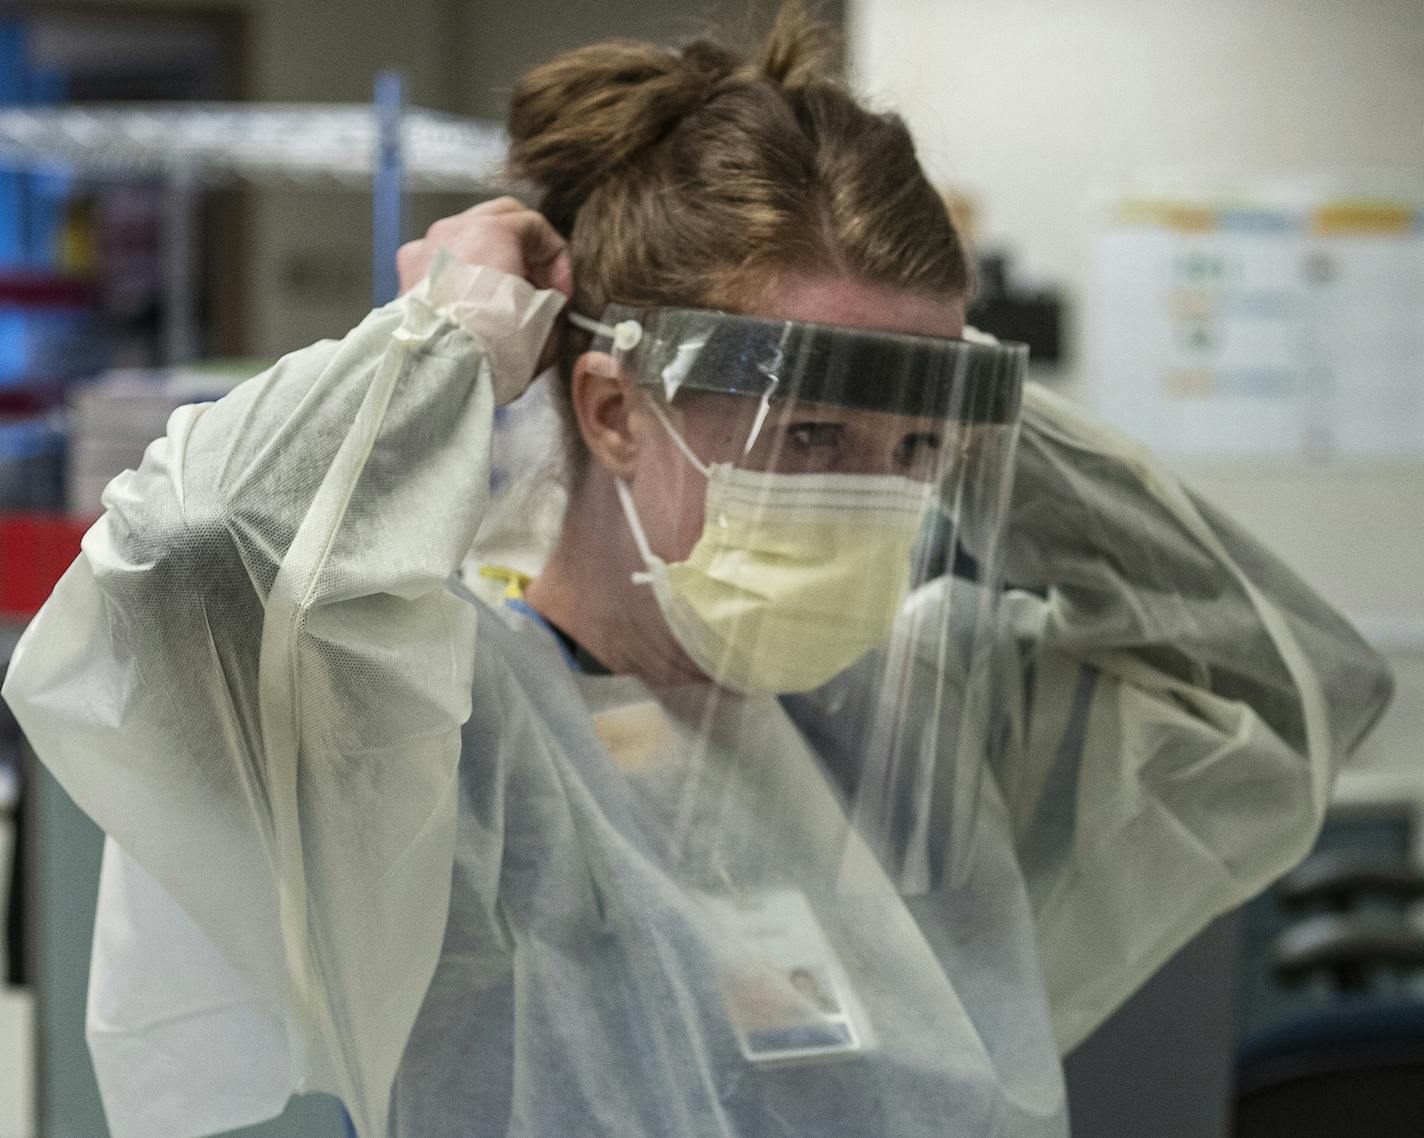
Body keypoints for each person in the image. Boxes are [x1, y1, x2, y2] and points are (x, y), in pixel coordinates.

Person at [0, 6, 1393, 1137]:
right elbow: (175, 573)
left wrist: (978, 413)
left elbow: (1279, 681)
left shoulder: (917, 729)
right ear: (612, 410)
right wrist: (438, 349)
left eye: (915, 445)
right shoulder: (434, 734)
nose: (874, 487)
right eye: (812, 433)